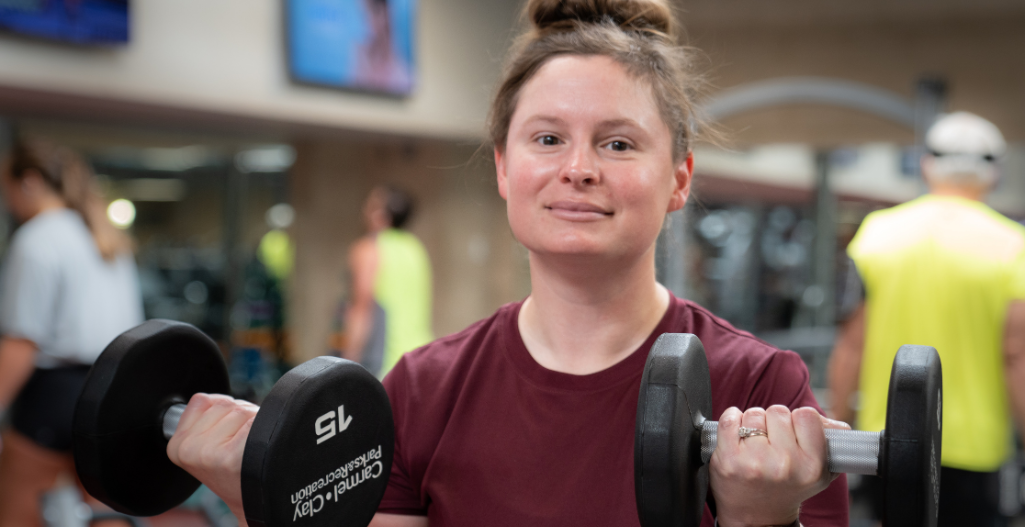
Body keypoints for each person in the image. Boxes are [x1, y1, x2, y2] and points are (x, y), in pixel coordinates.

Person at [166, 1, 851, 526]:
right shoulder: (420, 388)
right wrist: (265, 493)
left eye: (617, 143)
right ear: (503, 167)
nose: (578, 169)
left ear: (678, 178)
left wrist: (757, 516)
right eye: (547, 137)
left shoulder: (762, 387)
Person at [828, 111, 1025, 526]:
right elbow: (1019, 355)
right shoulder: (1015, 245)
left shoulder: (876, 233)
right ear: (995, 173)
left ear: (926, 164)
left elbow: (851, 346)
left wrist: (835, 439)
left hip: (887, 444)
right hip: (976, 450)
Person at [0, 138, 144, 525]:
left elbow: (21, 343)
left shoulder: (36, 238)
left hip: (54, 395)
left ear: (29, 182)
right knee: (103, 512)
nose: (8, 202)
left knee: (18, 510)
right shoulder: (105, 236)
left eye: (7, 190)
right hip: (109, 392)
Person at [342, 185, 433, 377]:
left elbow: (361, 311)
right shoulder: (416, 249)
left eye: (371, 204)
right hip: (422, 359)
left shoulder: (368, 249)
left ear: (380, 215)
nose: (365, 210)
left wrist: (345, 368)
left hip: (387, 367)